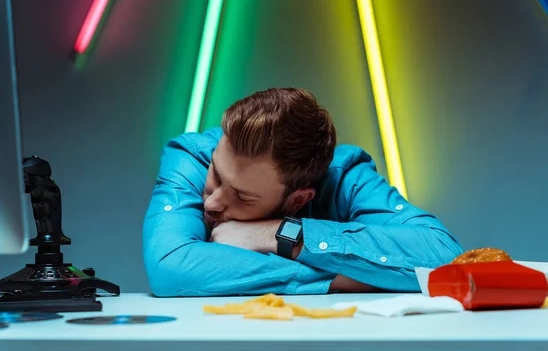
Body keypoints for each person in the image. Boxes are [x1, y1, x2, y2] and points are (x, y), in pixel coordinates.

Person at [142, 88, 463, 297]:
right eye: (216, 174)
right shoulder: (191, 155)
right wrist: (342, 279)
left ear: (298, 199)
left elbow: (445, 257)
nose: (211, 201)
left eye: (242, 196)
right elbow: (169, 267)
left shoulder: (346, 175)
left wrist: (281, 235)